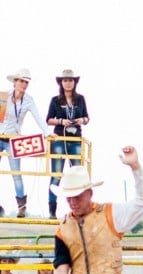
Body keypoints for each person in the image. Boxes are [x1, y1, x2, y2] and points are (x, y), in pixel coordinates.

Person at [0, 68, 49, 218]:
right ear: (15, 82)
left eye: (26, 82)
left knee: (16, 173)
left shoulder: (28, 100)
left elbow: (38, 117)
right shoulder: (4, 96)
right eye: (21, 81)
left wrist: (47, 133)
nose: (24, 84)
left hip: (13, 139)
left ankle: (21, 207)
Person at [46, 69, 90, 219]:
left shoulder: (80, 99)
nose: (68, 83)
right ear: (61, 82)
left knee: (77, 173)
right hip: (59, 137)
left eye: (70, 80)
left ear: (75, 82)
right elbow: (48, 119)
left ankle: (80, 208)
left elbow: (87, 118)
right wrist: (60, 121)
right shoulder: (55, 100)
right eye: (65, 80)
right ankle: (52, 209)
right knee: (57, 174)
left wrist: (80, 120)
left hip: (75, 138)